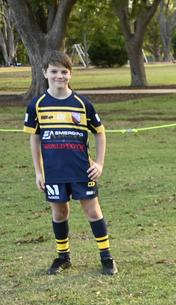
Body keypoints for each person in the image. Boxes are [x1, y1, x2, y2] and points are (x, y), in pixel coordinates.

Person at [24, 51, 117, 275]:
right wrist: (38, 172)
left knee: (93, 211)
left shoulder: (82, 104)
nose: (59, 76)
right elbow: (34, 138)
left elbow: (100, 134)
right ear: (44, 72)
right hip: (53, 172)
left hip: (81, 170)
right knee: (59, 213)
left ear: (70, 74)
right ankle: (63, 257)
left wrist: (100, 163)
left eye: (64, 71)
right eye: (54, 71)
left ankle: (106, 257)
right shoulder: (36, 105)